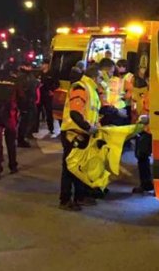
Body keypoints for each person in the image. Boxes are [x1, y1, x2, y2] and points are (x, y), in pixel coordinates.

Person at [59, 61, 102, 210]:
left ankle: (80, 197)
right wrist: (89, 127)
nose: (102, 81)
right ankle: (65, 200)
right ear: (95, 77)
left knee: (80, 167)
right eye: (101, 78)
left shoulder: (90, 89)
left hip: (82, 133)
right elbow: (75, 113)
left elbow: (90, 112)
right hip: (74, 133)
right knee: (70, 168)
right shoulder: (81, 87)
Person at [16, 61, 39, 148]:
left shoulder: (28, 75)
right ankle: (21, 138)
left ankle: (24, 135)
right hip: (25, 102)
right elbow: (23, 89)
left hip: (30, 101)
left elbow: (34, 84)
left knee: (30, 119)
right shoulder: (22, 76)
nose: (30, 68)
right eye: (28, 66)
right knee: (24, 121)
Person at [35, 59, 58, 134]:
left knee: (48, 112)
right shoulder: (39, 73)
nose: (41, 65)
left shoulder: (52, 74)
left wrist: (52, 90)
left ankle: (51, 128)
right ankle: (35, 128)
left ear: (47, 65)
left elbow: (57, 84)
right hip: (39, 95)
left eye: (43, 64)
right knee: (37, 112)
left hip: (47, 95)